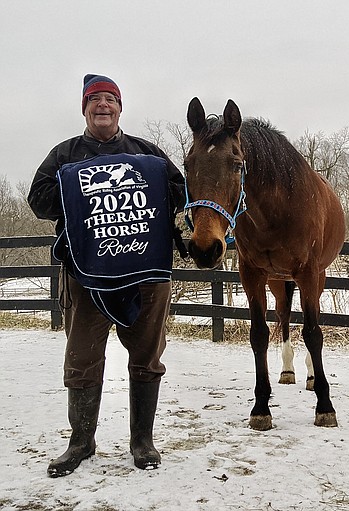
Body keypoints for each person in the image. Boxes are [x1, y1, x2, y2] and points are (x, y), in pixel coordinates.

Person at [28, 74, 186, 477]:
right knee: (82, 357)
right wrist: (80, 191)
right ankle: (81, 442)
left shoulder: (148, 153)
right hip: (86, 278)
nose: (103, 106)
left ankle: (142, 440)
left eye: (109, 100)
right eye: (95, 100)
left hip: (145, 276)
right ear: (84, 108)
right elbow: (39, 201)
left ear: (120, 107)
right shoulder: (64, 155)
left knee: (147, 356)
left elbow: (180, 193)